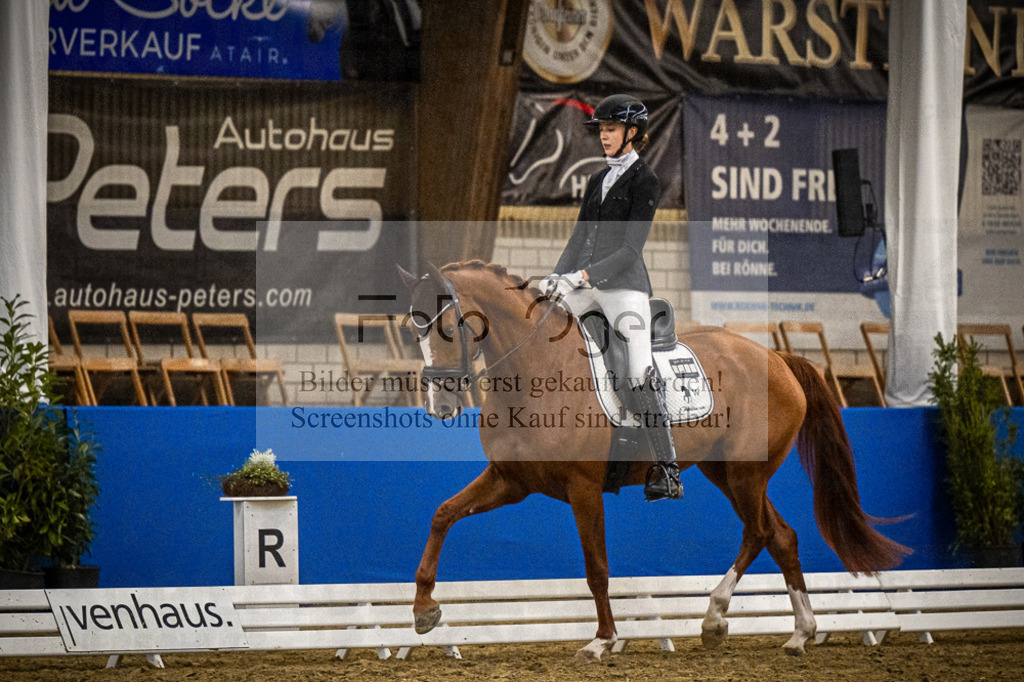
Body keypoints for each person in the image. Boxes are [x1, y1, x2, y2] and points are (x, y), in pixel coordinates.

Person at [540, 94, 682, 502]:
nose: (604, 136)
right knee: (543, 327)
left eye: (611, 130)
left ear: (632, 133)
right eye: (601, 130)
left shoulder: (646, 180)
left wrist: (582, 275)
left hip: (625, 289)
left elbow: (629, 251)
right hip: (586, 287)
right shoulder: (597, 180)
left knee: (636, 371)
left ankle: (668, 468)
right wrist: (556, 276)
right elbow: (579, 236)